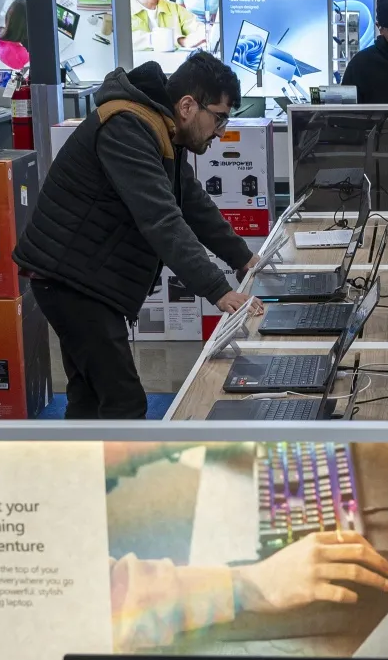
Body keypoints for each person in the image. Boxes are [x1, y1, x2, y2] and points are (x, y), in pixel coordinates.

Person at [14, 51, 263, 419]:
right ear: (188, 105)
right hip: (71, 280)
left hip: (83, 278)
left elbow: (190, 202)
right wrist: (218, 290)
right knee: (123, 401)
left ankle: (80, 474)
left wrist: (244, 258)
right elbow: (160, 218)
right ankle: (124, 475)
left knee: (89, 398)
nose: (221, 131)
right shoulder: (127, 126)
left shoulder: (163, 130)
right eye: (220, 118)